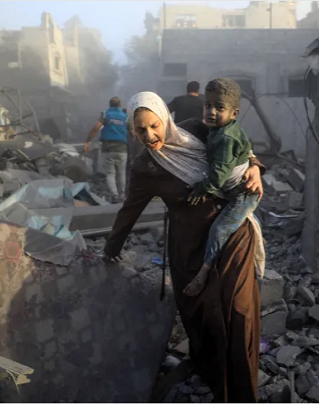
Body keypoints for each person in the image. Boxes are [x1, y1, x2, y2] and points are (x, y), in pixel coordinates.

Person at [104, 91, 265, 402]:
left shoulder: (196, 130)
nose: (149, 136)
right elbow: (130, 209)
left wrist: (256, 166)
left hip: (232, 235)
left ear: (166, 119)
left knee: (238, 310)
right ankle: (210, 374)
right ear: (132, 130)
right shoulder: (144, 167)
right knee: (201, 315)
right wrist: (110, 249)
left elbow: (238, 142)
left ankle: (242, 392)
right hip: (188, 246)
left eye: (154, 126)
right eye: (140, 130)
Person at [184, 78, 260, 297]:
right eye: (208, 105)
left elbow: (217, 178)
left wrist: (200, 189)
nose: (212, 112)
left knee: (219, 230)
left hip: (242, 195)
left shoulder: (226, 137)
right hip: (233, 189)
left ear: (234, 114)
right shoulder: (218, 130)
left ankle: (203, 273)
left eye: (220, 108)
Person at [84, 97, 131, 203]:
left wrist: (87, 141)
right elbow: (133, 132)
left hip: (108, 149)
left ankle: (114, 195)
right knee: (122, 173)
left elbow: (97, 126)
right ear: (119, 105)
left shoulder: (105, 114)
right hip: (122, 149)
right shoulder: (126, 117)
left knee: (110, 173)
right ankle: (122, 195)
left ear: (109, 105)